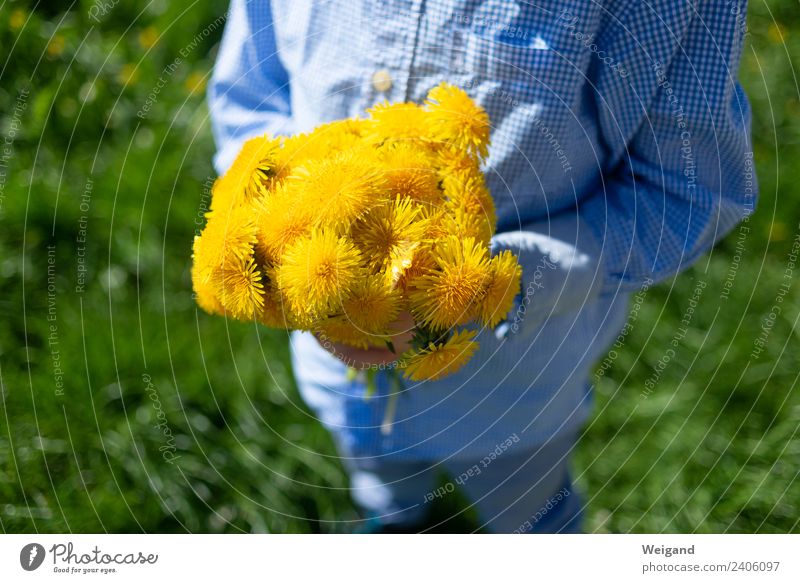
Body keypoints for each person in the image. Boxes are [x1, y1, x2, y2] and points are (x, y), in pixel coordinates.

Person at [209, 0, 756, 533]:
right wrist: (277, 252)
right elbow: (250, 102)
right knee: (372, 466)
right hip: (334, 374)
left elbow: (689, 189)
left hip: (516, 394)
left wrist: (499, 280)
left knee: (528, 508)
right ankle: (393, 514)